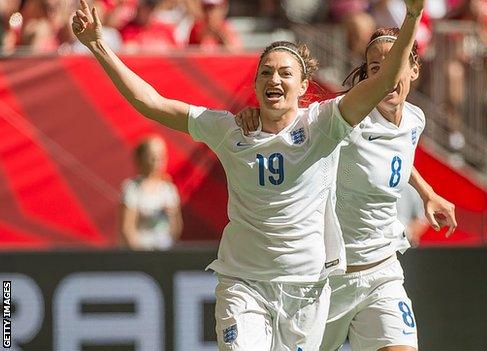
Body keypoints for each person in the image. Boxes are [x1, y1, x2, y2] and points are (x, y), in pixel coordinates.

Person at [71, 0, 422, 348]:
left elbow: (385, 80)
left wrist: (412, 15)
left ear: (303, 88)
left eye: (286, 73)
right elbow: (152, 102)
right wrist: (99, 45)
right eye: (266, 72)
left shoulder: (323, 125)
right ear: (255, 86)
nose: (275, 78)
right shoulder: (230, 130)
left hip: (307, 290)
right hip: (244, 284)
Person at [237, 25, 458, 351]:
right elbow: (297, 123)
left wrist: (427, 193)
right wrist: (259, 114)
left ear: (413, 68)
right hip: (325, 282)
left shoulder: (414, 119)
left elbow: (395, 156)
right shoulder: (347, 119)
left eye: (394, 63)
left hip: (381, 273)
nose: (385, 75)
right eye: (375, 68)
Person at [120, 135, 182, 250]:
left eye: (161, 156)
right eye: (152, 156)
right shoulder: (131, 188)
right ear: (140, 158)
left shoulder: (169, 189)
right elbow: (127, 229)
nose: (157, 161)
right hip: (140, 254)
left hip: (165, 253)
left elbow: (176, 227)